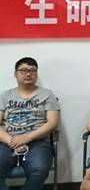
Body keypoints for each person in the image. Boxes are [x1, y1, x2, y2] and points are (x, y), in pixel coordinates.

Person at [0, 57, 60, 190]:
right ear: (15, 74)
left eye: (32, 71)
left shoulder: (47, 94)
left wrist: (27, 138)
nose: (28, 74)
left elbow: (53, 122)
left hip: (37, 142)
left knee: (40, 170)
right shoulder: (5, 96)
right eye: (23, 70)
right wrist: (12, 141)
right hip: (8, 141)